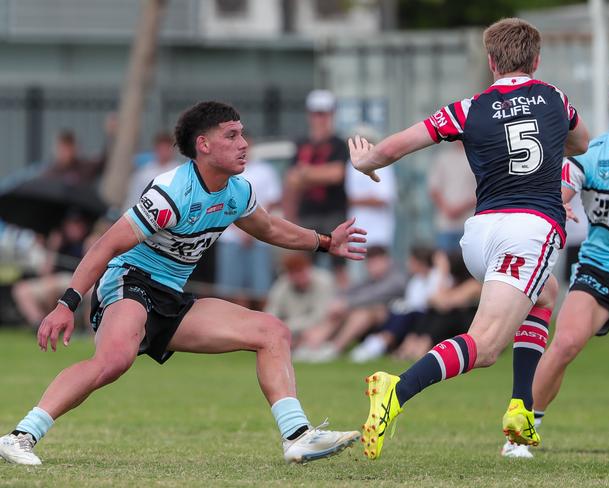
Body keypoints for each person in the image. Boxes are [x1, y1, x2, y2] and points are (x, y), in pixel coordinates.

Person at [0, 101, 366, 466]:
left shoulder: (237, 191)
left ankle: (298, 437)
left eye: (242, 134)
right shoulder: (171, 192)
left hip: (171, 296)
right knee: (114, 360)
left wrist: (324, 242)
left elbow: (269, 228)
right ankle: (19, 436)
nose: (244, 144)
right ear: (203, 145)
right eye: (232, 135)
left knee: (272, 331)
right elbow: (107, 244)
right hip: (130, 281)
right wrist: (67, 303)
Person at [348, 17, 589, 460]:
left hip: (479, 237)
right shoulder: (554, 98)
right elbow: (582, 142)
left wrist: (367, 160)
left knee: (544, 292)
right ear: (536, 60)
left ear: (492, 62)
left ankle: (520, 407)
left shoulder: (468, 108)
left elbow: (395, 147)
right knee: (487, 345)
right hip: (528, 231)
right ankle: (395, 390)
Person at [503, 51, 609, 459]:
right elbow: (560, 192)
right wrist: (560, 205)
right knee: (565, 343)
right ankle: (519, 435)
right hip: (599, 270)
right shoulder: (593, 154)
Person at [292, 246, 407, 363]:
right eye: (370, 264)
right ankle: (312, 345)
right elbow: (351, 291)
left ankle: (335, 349)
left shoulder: (397, 278)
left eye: (375, 263)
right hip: (365, 315)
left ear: (386, 260)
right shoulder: (370, 279)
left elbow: (375, 295)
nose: (372, 267)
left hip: (392, 320)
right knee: (340, 311)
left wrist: (347, 303)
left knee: (361, 313)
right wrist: (340, 301)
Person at [283, 89, 349, 286]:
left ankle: (342, 307)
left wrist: (305, 173)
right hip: (307, 213)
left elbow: (336, 174)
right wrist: (317, 174)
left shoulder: (339, 143)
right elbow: (292, 179)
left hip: (334, 213)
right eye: (316, 113)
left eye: (324, 113)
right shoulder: (301, 143)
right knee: (304, 266)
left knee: (340, 266)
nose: (320, 119)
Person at [216, 139, 282, 308]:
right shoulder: (225, 172)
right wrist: (240, 230)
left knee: (261, 289)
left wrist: (253, 229)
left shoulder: (264, 170)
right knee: (232, 290)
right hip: (231, 238)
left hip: (259, 238)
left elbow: (272, 202)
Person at [345, 125, 397, 285]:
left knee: (381, 278)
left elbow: (384, 198)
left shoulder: (383, 164)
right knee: (358, 280)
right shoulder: (351, 164)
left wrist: (357, 200)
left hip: (379, 232)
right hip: (357, 231)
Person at [264, 251, 336, 341]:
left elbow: (319, 316)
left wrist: (287, 325)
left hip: (319, 327)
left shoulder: (324, 281)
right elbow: (271, 314)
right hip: (291, 329)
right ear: (288, 274)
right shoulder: (282, 285)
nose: (299, 276)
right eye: (294, 272)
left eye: (301, 270)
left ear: (309, 267)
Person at [428, 141, 476, 254]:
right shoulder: (443, 158)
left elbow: (482, 190)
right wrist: (447, 208)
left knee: (466, 267)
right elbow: (434, 189)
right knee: (444, 264)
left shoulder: (477, 158)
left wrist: (461, 208)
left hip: (469, 224)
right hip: (445, 224)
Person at [124, 132, 181, 209]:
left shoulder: (180, 172)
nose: (163, 152)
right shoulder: (143, 173)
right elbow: (133, 198)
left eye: (166, 148)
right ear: (155, 149)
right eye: (161, 149)